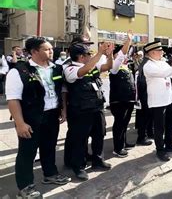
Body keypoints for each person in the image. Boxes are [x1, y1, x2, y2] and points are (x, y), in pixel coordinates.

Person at [6, 37, 71, 198]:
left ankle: (50, 174)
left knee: (49, 147)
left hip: (51, 114)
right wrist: (20, 123)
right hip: (30, 118)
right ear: (34, 52)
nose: (51, 51)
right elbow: (13, 99)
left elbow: (61, 90)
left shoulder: (56, 68)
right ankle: (25, 187)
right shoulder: (19, 71)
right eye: (47, 49)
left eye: (51, 49)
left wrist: (63, 110)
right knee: (27, 152)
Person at [64, 42, 113, 180]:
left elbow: (108, 66)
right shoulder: (70, 69)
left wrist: (109, 56)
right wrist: (99, 53)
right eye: (88, 55)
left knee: (99, 135)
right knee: (80, 140)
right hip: (80, 111)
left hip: (96, 108)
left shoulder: (92, 66)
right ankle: (78, 167)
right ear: (81, 56)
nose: (91, 57)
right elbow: (82, 71)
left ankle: (98, 160)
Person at [142, 41, 172, 161]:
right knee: (159, 127)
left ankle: (170, 143)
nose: (162, 52)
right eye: (160, 51)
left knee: (171, 124)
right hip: (158, 102)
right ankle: (160, 150)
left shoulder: (163, 63)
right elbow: (163, 73)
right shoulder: (148, 66)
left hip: (168, 99)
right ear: (152, 52)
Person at [109, 31, 136, 157]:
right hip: (118, 101)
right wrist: (128, 41)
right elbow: (121, 56)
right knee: (119, 123)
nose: (125, 57)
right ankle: (118, 148)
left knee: (125, 122)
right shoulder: (114, 67)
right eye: (121, 55)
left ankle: (123, 143)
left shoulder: (126, 68)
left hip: (128, 100)